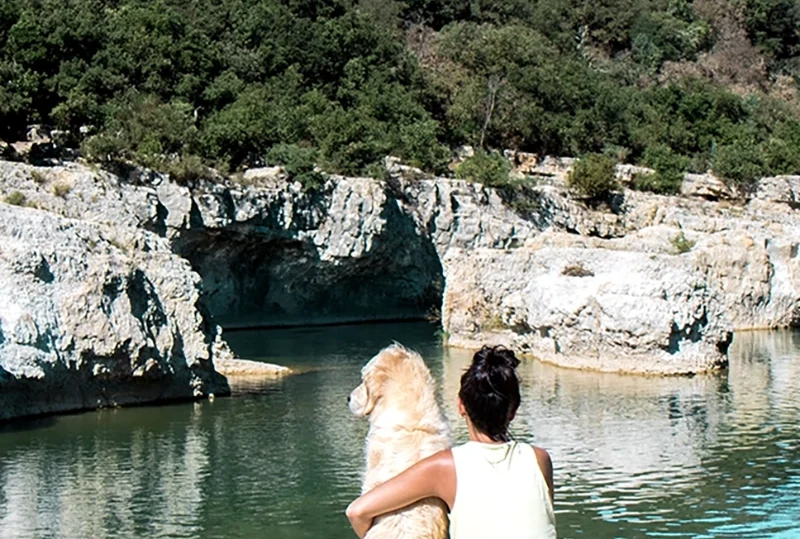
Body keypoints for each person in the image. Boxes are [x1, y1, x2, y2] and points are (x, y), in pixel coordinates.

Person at [346, 345, 556, 539]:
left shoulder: (446, 467)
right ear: (513, 411)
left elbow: (357, 512)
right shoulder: (540, 460)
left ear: (461, 406)